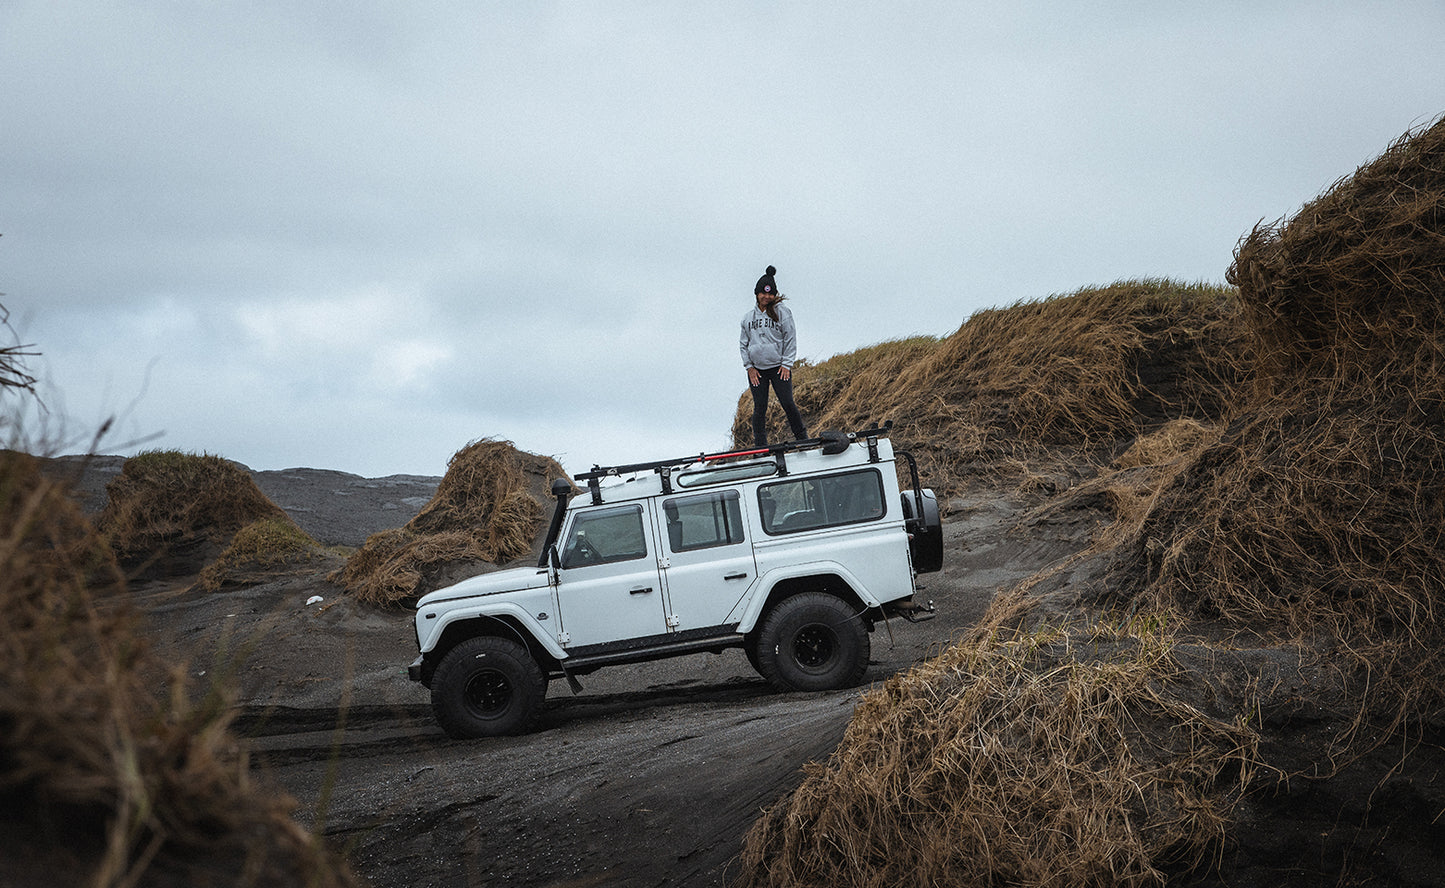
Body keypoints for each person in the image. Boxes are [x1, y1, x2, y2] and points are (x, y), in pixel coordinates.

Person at [739, 265, 808, 447]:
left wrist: (787, 364)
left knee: (787, 402)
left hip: (778, 367)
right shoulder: (748, 318)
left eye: (770, 294)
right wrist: (749, 367)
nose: (766, 297)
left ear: (774, 295)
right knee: (759, 407)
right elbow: (743, 344)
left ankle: (802, 438)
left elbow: (790, 337)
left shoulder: (782, 312)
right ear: (757, 294)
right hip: (757, 370)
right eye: (763, 293)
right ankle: (760, 446)